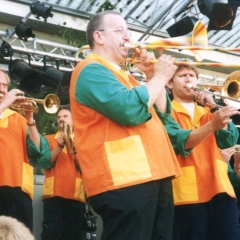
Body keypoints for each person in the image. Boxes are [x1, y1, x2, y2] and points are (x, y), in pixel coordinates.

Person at [69, 10, 182, 240]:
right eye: (120, 30)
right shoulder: (90, 69)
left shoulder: (124, 76)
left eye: (128, 31)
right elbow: (130, 111)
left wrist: (152, 76)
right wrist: (160, 77)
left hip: (151, 172)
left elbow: (161, 112)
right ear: (99, 37)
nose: (128, 37)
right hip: (125, 177)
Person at [158, 64, 240, 240]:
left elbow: (229, 140)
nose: (189, 79)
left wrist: (213, 105)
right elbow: (179, 142)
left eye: (192, 76)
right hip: (186, 191)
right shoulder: (167, 111)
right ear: (170, 84)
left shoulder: (210, 111)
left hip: (220, 187)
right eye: (182, 76)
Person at [0, 68, 49, 232]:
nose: (2, 89)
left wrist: (30, 120)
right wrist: (4, 104)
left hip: (18, 189)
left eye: (5, 85)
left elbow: (40, 153)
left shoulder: (17, 118)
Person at [38, 105, 86, 240]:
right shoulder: (48, 139)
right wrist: (59, 146)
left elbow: (85, 169)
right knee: (50, 234)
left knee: (73, 235)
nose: (61, 119)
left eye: (65, 116)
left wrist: (75, 150)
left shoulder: (83, 141)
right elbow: (45, 163)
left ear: (74, 120)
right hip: (53, 193)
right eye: (59, 117)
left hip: (75, 194)